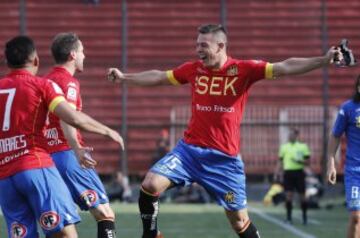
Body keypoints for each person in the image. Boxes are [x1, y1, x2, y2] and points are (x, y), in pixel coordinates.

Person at [107, 24, 342, 238]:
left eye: (203, 45)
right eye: (197, 44)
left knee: (240, 223)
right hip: (188, 153)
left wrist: (323, 60)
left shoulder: (244, 69)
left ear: (221, 46)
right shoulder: (193, 69)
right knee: (150, 184)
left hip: (224, 161)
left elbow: (286, 66)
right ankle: (151, 234)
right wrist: (124, 78)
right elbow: (159, 77)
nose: (198, 49)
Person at [0, 36, 123, 238]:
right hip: (37, 166)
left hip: (5, 176)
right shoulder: (43, 85)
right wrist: (108, 131)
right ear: (36, 60)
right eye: (82, 50)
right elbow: (72, 118)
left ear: (7, 62)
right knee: (68, 232)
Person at [43, 32, 118, 238]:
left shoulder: (45, 81)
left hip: (45, 160)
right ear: (73, 55)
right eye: (82, 51)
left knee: (59, 225)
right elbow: (68, 118)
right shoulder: (68, 82)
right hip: (67, 154)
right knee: (105, 213)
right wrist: (77, 147)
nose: (85, 55)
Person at [327, 75, 360, 238]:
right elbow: (335, 136)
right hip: (354, 171)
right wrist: (331, 163)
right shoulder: (348, 108)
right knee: (356, 217)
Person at [274, 128, 311, 225]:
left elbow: (308, 162)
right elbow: (280, 161)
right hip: (288, 174)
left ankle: (304, 217)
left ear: (296, 136)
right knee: (289, 196)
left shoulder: (303, 147)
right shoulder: (284, 147)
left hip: (299, 173)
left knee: (302, 196)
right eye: (289, 135)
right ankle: (289, 218)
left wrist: (300, 161)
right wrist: (277, 172)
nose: (290, 136)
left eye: (292, 135)